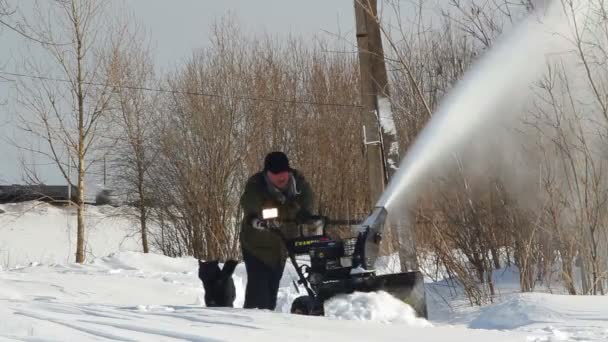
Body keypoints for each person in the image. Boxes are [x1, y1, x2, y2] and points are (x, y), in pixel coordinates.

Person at [239, 151, 314, 310]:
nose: (282, 177)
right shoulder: (256, 184)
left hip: (280, 246)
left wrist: (301, 213)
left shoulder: (298, 181)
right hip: (256, 247)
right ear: (267, 174)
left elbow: (308, 203)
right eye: (276, 174)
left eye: (284, 172)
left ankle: (268, 325)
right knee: (258, 293)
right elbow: (259, 209)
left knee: (271, 291)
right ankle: (249, 325)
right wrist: (293, 210)